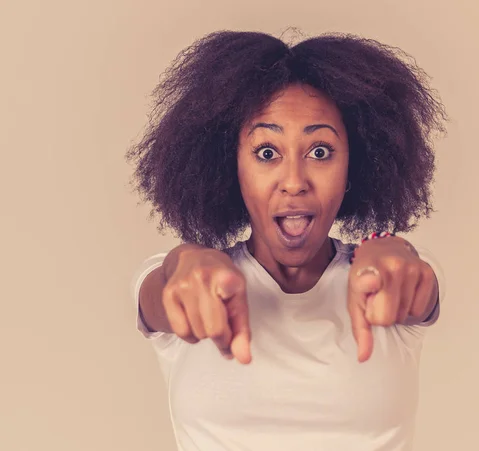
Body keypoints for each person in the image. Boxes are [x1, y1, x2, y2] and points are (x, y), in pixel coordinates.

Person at [127, 30, 447, 451]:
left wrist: (398, 254)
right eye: (266, 152)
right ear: (230, 167)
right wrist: (183, 260)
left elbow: (412, 278)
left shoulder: (387, 279)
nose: (294, 182)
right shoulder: (193, 282)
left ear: (357, 166)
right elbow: (164, 289)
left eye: (319, 152)